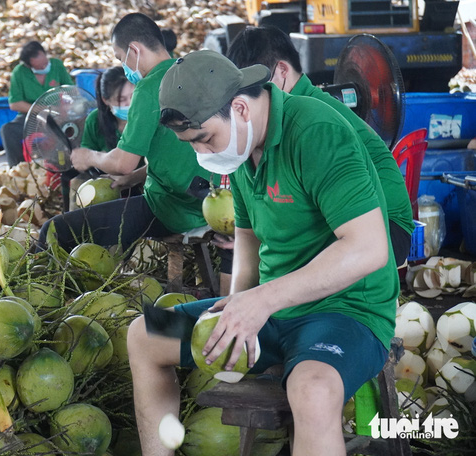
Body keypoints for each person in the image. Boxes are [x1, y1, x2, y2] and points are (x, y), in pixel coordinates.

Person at [126, 50, 399, 456]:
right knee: (146, 334)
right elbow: (249, 246)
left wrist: (262, 302)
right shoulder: (239, 148)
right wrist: (238, 307)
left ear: (239, 107)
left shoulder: (317, 131)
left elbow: (369, 247)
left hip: (346, 310)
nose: (202, 154)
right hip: (272, 312)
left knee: (313, 392)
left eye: (204, 138)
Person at [39, 13, 232, 292]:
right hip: (213, 204)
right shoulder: (192, 73)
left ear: (134, 50)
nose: (123, 66)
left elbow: (122, 162)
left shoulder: (149, 87)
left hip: (172, 209)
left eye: (120, 58)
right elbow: (179, 151)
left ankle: (46, 298)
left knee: (54, 231)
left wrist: (89, 156)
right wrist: (136, 178)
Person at [226, 25, 414, 266]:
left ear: (282, 70)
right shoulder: (282, 114)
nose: (251, 97)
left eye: (256, 86)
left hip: (386, 226)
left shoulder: (313, 119)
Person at [69, 66, 143, 209]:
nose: (129, 104)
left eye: (133, 96)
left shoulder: (145, 118)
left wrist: (132, 178)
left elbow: (158, 164)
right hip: (106, 182)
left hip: (142, 179)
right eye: (122, 99)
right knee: (78, 184)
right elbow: (84, 160)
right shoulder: (95, 120)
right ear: (106, 100)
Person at [0, 41, 74, 167]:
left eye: (45, 64)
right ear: (29, 66)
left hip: (57, 115)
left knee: (74, 129)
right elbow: (15, 104)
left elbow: (70, 91)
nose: (44, 68)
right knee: (7, 131)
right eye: (39, 67)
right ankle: (18, 168)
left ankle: (68, 165)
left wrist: (64, 109)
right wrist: (42, 109)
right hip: (30, 116)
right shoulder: (19, 73)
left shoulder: (57, 65)